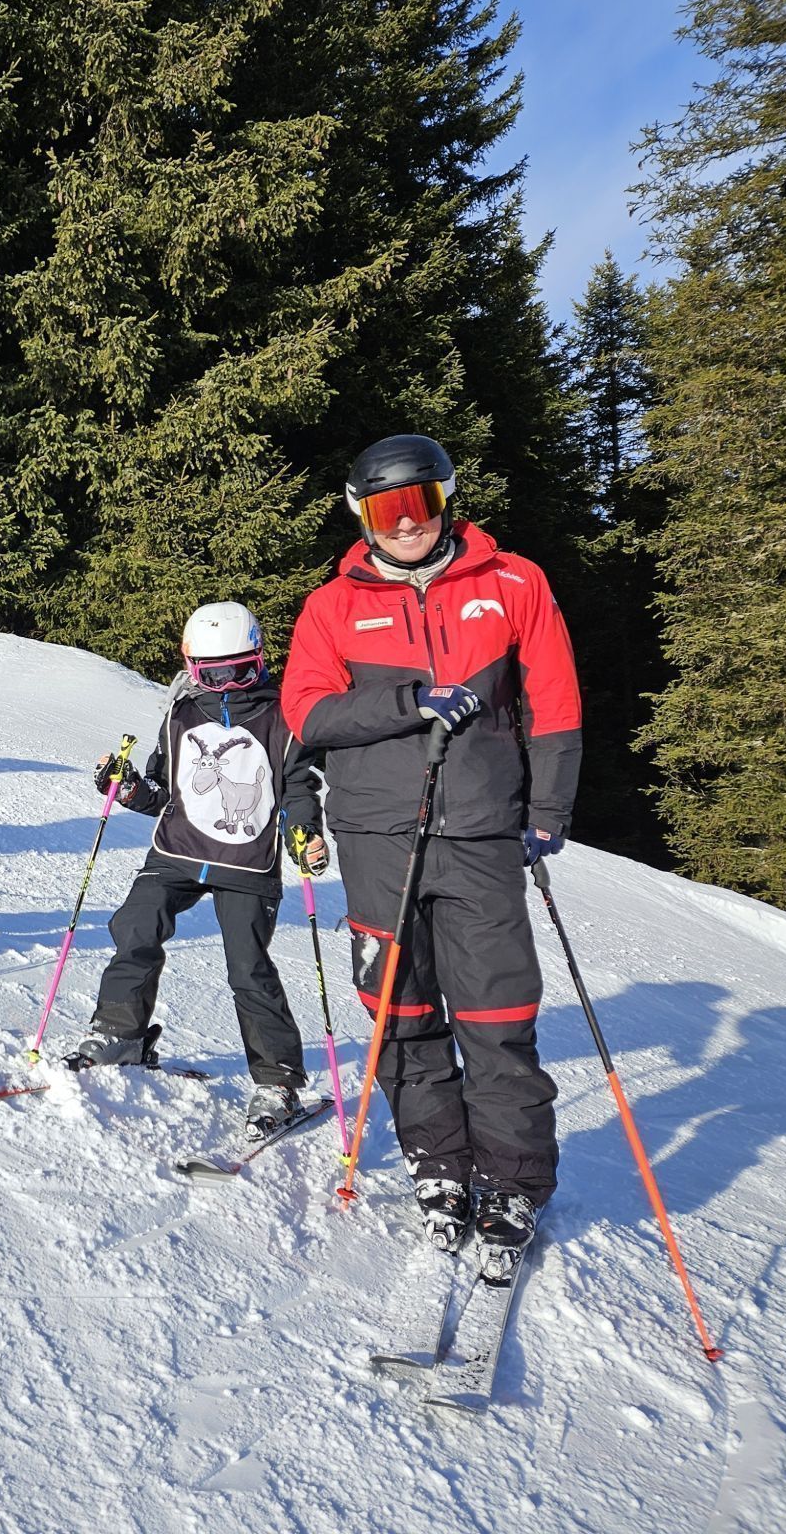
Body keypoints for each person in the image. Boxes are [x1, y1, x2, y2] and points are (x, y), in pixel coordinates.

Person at [283, 433, 582, 1268]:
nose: (406, 524)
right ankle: (437, 1162)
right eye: (388, 510)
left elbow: (555, 701)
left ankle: (513, 1179)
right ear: (362, 516)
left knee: (497, 1015)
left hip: (482, 832)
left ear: (446, 501)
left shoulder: (513, 582)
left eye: (420, 504)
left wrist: (548, 810)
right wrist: (410, 701)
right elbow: (309, 713)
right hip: (376, 836)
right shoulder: (331, 606)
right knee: (400, 1011)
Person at [66, 603, 327, 1141]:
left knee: (248, 965)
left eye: (241, 671)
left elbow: (299, 788)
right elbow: (163, 791)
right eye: (213, 674)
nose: (227, 684)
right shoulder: (180, 712)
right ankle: (120, 1032)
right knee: (136, 926)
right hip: (178, 850)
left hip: (248, 862)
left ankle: (277, 1080)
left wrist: (305, 833)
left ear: (260, 660)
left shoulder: (284, 716)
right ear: (192, 668)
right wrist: (128, 788)